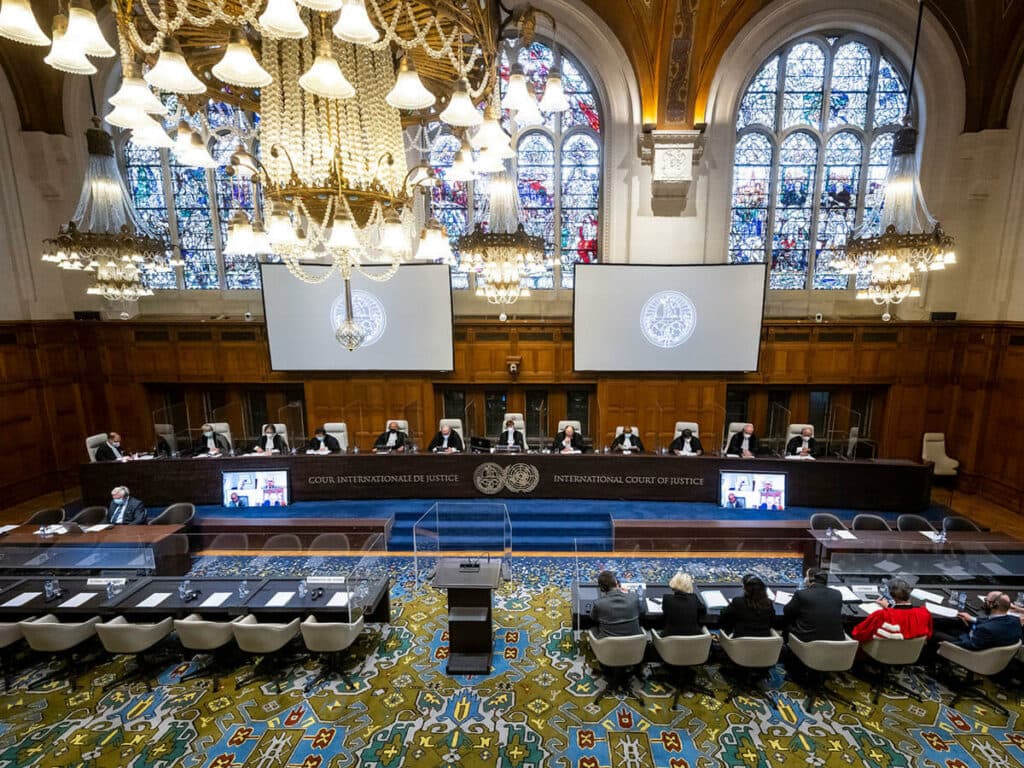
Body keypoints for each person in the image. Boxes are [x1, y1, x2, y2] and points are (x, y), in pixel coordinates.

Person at [933, 592, 1022, 651]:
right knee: (954, 624)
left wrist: (947, 644)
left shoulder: (985, 629)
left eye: (986, 601)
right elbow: (992, 621)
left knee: (934, 632)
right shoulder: (1015, 620)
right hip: (987, 646)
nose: (984, 603)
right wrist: (972, 619)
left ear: (993, 605)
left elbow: (970, 645)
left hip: (971, 652)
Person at [851, 578, 932, 642]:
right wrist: (890, 607)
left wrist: (889, 609)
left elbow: (858, 634)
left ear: (890, 594)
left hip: (881, 654)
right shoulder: (924, 613)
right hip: (911, 655)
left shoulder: (882, 615)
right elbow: (928, 635)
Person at [783, 568, 845, 642]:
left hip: (807, 642)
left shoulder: (801, 594)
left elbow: (787, 611)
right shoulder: (837, 594)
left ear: (810, 579)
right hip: (836, 642)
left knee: (785, 625)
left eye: (806, 576)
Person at [590, 570, 643, 638]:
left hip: (608, 646)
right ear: (617, 583)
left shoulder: (598, 603)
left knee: (592, 629)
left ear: (602, 588)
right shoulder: (634, 598)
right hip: (635, 644)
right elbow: (642, 611)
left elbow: (593, 618)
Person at [660, 572, 707, 637]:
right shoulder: (694, 598)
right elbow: (703, 611)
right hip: (694, 641)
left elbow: (665, 614)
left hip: (670, 641)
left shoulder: (667, 599)